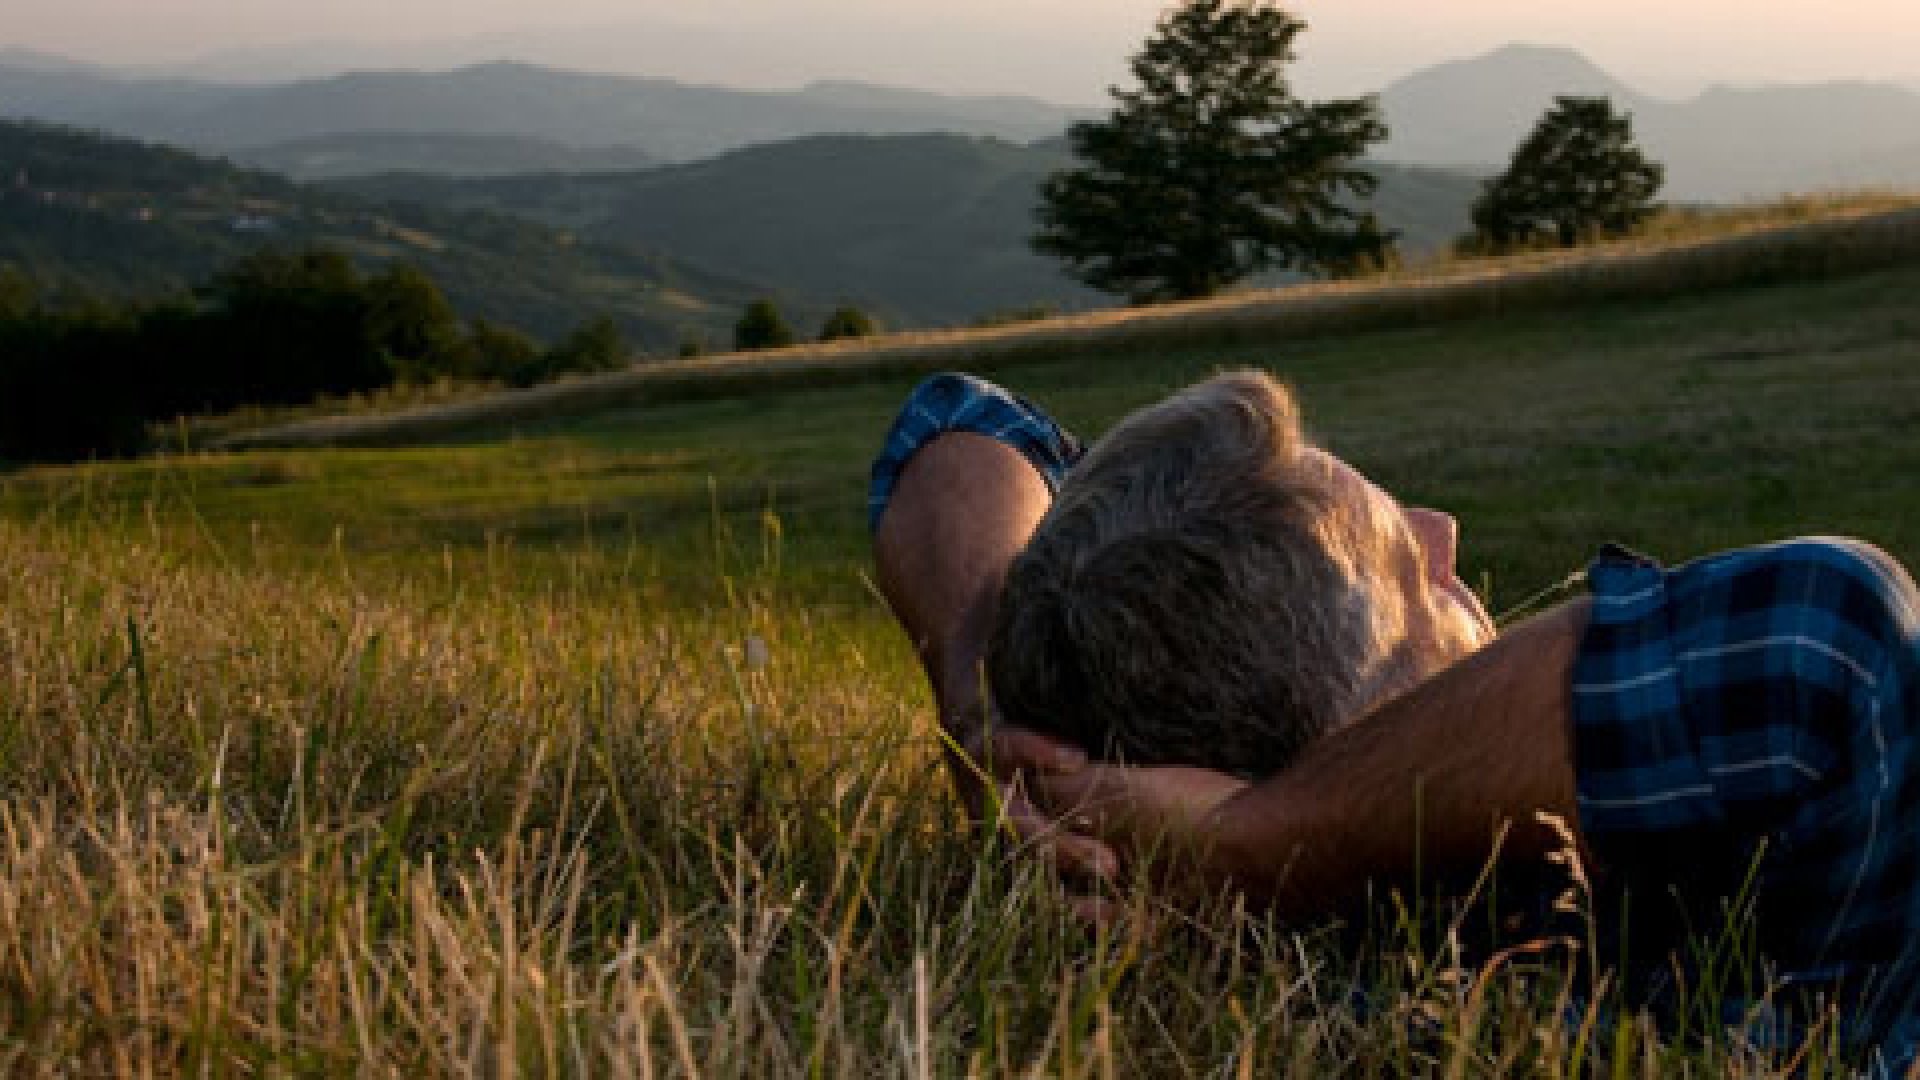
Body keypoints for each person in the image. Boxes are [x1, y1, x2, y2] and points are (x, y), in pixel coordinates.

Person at [870, 370, 1920, 1074]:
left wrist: (993, 718)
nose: (1443, 531)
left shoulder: (1158, 881)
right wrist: (1251, 841)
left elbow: (960, 420)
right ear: (1351, 733)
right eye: (1412, 578)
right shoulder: (1559, 978)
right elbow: (1832, 634)